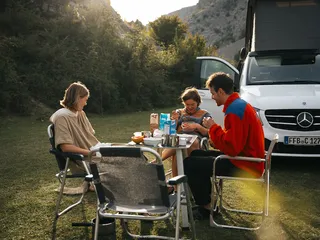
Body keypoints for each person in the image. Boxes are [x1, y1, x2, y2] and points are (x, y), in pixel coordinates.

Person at [183, 72, 265, 220]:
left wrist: (213, 128)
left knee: (189, 164)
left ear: (221, 91)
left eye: (213, 93)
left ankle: (206, 208)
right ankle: (208, 203)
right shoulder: (238, 105)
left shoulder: (234, 110)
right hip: (245, 158)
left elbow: (232, 148)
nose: (212, 97)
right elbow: (232, 141)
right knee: (195, 155)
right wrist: (214, 133)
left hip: (245, 164)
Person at [50, 82, 99, 194]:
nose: (86, 103)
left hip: (94, 152)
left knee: (126, 156)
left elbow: (90, 135)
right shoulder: (62, 117)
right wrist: (90, 152)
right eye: (85, 100)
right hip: (83, 159)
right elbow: (66, 147)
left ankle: (93, 184)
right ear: (77, 98)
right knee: (122, 162)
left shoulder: (80, 113)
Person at [161, 87, 211, 179]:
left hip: (197, 142)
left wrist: (197, 126)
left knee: (187, 143)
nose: (190, 107)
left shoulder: (204, 114)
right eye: (187, 105)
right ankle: (177, 188)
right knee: (178, 148)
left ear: (198, 102)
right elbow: (172, 129)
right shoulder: (180, 112)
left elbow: (209, 133)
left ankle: (157, 161)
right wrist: (175, 120)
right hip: (180, 139)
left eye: (193, 104)